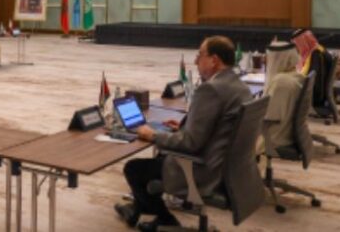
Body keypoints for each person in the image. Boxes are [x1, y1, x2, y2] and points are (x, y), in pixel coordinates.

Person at [115, 36, 252, 232]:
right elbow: (218, 126)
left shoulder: (211, 89)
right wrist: (184, 125)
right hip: (227, 168)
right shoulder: (240, 86)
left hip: (203, 170)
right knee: (159, 159)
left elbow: (190, 143)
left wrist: (153, 135)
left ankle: (166, 220)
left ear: (214, 60)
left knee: (134, 169)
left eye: (200, 55)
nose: (196, 61)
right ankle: (136, 210)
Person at [258, 41, 304, 154]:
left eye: (269, 58)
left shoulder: (280, 82)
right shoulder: (296, 76)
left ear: (277, 59)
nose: (266, 61)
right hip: (287, 132)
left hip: (274, 138)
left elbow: (268, 116)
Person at [291, 29, 335, 118]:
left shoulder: (315, 55)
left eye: (297, 44)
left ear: (303, 42)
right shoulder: (318, 49)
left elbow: (310, 78)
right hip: (319, 93)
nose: (297, 47)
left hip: (314, 94)